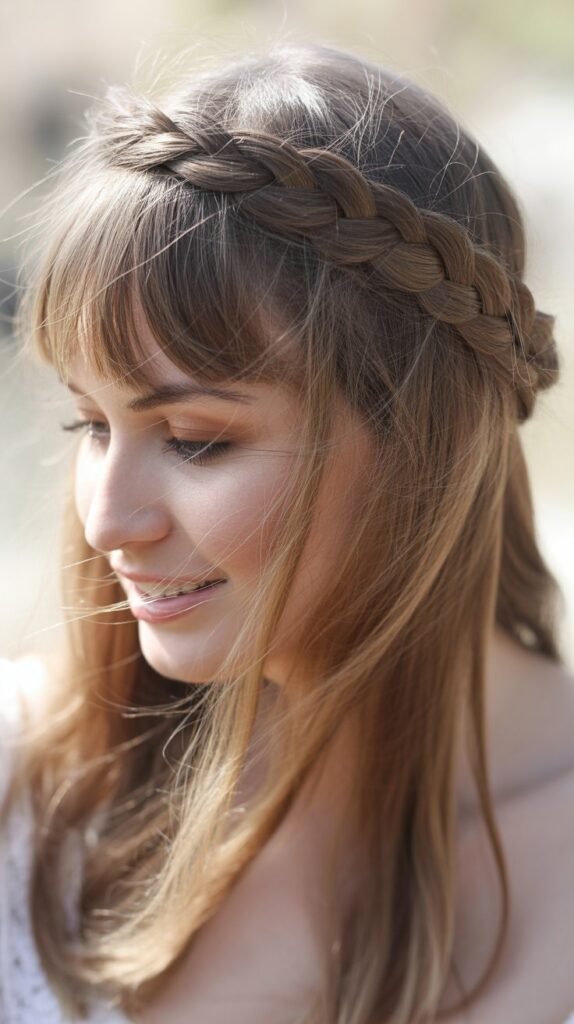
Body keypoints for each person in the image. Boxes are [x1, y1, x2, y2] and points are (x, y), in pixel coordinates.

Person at [2, 40, 574, 1024]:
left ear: (420, 442)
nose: (106, 522)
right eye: (92, 424)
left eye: (193, 440)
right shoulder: (29, 779)